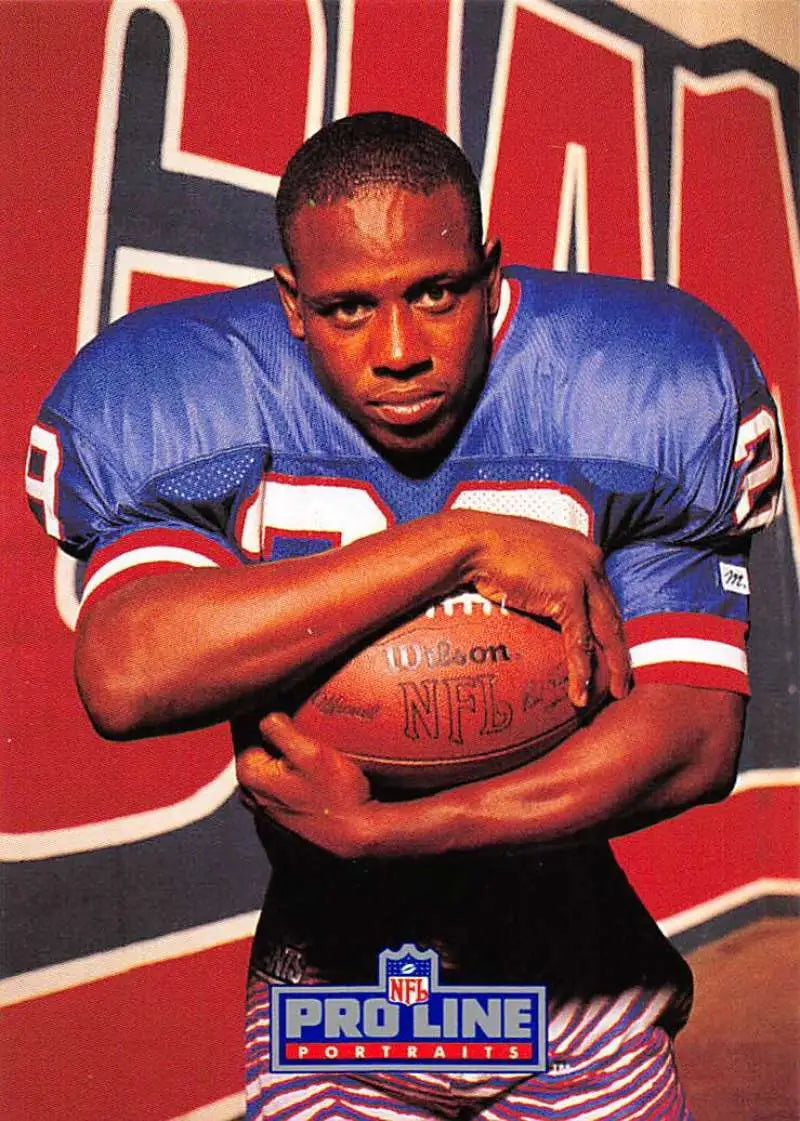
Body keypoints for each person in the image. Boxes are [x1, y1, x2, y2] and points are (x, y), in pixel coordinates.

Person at [27, 112, 781, 1120]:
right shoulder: (189, 392)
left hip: (572, 984)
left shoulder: (635, 380)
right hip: (329, 998)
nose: (398, 350)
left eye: (435, 293)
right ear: (290, 303)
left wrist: (391, 831)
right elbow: (124, 674)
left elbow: (694, 735)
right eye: (346, 308)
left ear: (488, 265)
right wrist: (456, 539)